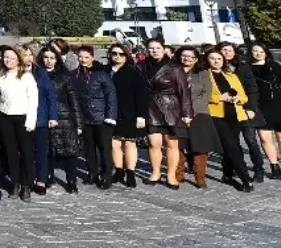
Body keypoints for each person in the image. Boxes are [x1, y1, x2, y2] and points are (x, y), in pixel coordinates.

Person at [138, 39, 193, 190]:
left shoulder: (174, 68)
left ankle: (171, 175)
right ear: (146, 50)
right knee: (153, 144)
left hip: (171, 108)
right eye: (151, 48)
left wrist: (187, 113)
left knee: (171, 144)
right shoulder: (141, 66)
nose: (154, 51)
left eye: (157, 48)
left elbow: (184, 92)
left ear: (164, 49)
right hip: (150, 108)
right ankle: (155, 172)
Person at [203, 48, 254, 192]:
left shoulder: (231, 76)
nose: (215, 61)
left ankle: (227, 174)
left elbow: (244, 96)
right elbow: (199, 95)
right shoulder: (204, 75)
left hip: (234, 114)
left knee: (231, 145)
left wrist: (238, 99)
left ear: (223, 60)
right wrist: (219, 98)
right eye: (212, 58)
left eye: (218, 58)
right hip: (217, 115)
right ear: (207, 60)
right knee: (232, 146)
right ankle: (245, 178)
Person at [0, 46, 37, 201]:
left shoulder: (26, 76)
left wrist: (31, 120)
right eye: (5, 57)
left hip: (22, 117)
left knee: (26, 152)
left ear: (18, 58)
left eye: (11, 57)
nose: (8, 60)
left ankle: (26, 185)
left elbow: (33, 100)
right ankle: (15, 182)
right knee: (10, 152)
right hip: (5, 116)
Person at [248, 43, 281, 182]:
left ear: (266, 52)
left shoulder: (274, 66)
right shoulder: (247, 67)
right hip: (259, 106)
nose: (257, 53)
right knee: (264, 138)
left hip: (278, 105)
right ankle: (274, 166)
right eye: (254, 51)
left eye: (260, 51)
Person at [73, 45, 118, 190]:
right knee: (88, 149)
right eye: (80, 57)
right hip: (84, 117)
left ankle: (106, 176)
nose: (83, 60)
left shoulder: (101, 74)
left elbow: (111, 96)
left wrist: (110, 117)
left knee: (104, 149)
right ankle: (92, 173)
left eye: (86, 57)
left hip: (101, 118)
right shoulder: (74, 75)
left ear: (92, 57)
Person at [220, 42, 265, 183]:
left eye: (229, 50)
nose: (226, 52)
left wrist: (251, 108)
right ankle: (232, 168)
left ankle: (259, 169)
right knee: (231, 141)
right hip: (225, 110)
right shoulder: (216, 68)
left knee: (251, 140)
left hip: (245, 109)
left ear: (234, 52)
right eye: (223, 50)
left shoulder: (243, 67)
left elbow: (252, 89)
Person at [39, 48, 82, 192]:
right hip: (44, 118)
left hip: (64, 118)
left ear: (57, 59)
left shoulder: (64, 76)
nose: (48, 60)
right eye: (46, 57)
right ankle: (48, 177)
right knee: (47, 150)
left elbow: (73, 100)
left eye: (52, 57)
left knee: (69, 151)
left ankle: (71, 180)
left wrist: (78, 123)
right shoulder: (36, 74)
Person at [177, 46, 218, 189]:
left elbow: (206, 93)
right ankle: (179, 173)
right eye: (184, 56)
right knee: (179, 145)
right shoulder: (173, 71)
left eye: (190, 56)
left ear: (195, 59)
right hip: (177, 114)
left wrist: (190, 112)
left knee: (200, 146)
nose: (187, 59)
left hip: (199, 112)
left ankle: (199, 176)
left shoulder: (203, 73)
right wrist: (181, 112)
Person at [107, 43, 147, 188]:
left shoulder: (132, 72)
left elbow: (141, 95)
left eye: (121, 54)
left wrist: (141, 115)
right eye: (114, 53)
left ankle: (130, 172)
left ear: (126, 55)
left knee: (129, 143)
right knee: (114, 143)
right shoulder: (105, 71)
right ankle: (118, 170)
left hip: (129, 112)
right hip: (110, 113)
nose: (117, 57)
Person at [26, 46, 59, 195]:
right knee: (27, 152)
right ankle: (29, 177)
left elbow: (50, 96)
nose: (27, 58)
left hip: (40, 118)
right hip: (22, 117)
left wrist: (53, 116)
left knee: (41, 151)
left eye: (29, 55)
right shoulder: (15, 72)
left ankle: (41, 180)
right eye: (24, 55)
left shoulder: (41, 72)